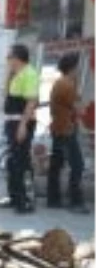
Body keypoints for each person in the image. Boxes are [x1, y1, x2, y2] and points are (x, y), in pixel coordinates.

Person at [47, 52, 88, 213]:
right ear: (73, 68)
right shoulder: (66, 85)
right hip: (66, 129)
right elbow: (81, 108)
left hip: (59, 127)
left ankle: (53, 199)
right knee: (77, 165)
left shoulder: (62, 82)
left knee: (56, 164)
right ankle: (75, 201)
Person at [4, 44, 40, 213]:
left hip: (22, 123)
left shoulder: (30, 74)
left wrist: (23, 126)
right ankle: (14, 197)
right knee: (12, 161)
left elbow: (32, 101)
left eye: (9, 57)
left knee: (22, 162)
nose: (7, 60)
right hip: (11, 122)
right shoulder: (15, 74)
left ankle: (26, 200)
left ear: (18, 58)